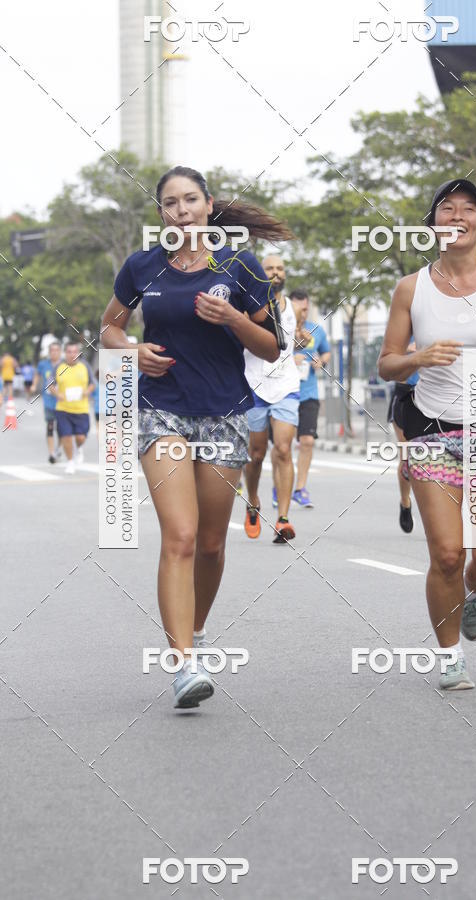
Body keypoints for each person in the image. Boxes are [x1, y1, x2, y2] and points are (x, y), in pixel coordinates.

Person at [100, 165, 292, 708]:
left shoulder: (240, 265)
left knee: (210, 542)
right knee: (180, 536)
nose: (181, 210)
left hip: (223, 413)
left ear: (208, 206)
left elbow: (272, 346)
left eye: (190, 200)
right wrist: (132, 350)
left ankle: (198, 630)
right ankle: (182, 663)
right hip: (162, 410)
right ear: (160, 212)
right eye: (170, 203)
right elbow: (108, 327)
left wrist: (232, 317)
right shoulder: (143, 266)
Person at [379, 178, 476, 691]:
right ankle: (449, 657)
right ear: (434, 226)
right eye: (446, 208)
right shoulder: (411, 288)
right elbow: (387, 364)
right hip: (432, 430)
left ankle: (473, 590)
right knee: (447, 554)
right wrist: (417, 359)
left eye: (469, 209)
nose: (457, 215)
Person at [243, 256, 299, 543]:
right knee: (255, 454)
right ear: (259, 273)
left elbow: (299, 337)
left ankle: (284, 519)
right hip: (253, 385)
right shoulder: (246, 304)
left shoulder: (294, 307)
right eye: (269, 269)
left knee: (284, 449)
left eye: (280, 269)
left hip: (287, 386)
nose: (275, 273)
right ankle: (253, 500)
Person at [289, 289, 331, 507]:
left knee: (306, 441)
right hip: (284, 394)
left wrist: (321, 362)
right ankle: (281, 488)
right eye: (298, 308)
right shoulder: (281, 328)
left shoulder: (317, 330)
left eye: (305, 308)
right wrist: (288, 359)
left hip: (308, 394)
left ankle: (300, 488)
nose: (302, 312)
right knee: (281, 444)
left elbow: (326, 352)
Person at [387, 342, 419, 532]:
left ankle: (435, 516)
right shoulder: (404, 325)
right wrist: (408, 350)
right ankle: (405, 502)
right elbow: (388, 359)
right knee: (408, 457)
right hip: (406, 393)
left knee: (436, 459)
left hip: (437, 394)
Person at [50, 342, 95, 474]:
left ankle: (79, 448)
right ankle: (70, 462)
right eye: (69, 352)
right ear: (65, 353)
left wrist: (87, 391)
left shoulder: (84, 366)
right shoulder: (59, 366)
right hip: (63, 409)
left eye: (74, 352)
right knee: (66, 436)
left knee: (80, 437)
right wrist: (57, 394)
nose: (72, 354)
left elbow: (93, 384)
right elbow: (50, 385)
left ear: (78, 353)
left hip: (81, 409)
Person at [32, 341, 63, 463]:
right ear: (49, 352)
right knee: (50, 427)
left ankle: (59, 448)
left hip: (62, 402)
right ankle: (51, 453)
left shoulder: (65, 364)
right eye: (52, 350)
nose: (54, 352)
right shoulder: (43, 364)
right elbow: (37, 375)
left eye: (56, 350)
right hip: (49, 401)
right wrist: (34, 385)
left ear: (60, 352)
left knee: (61, 429)